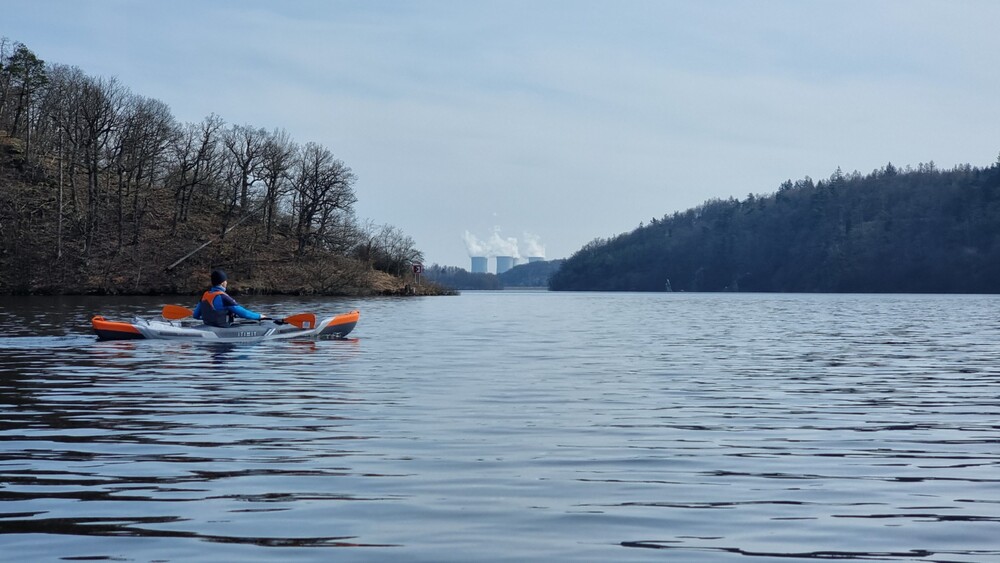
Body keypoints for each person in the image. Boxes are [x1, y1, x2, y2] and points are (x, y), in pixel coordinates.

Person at [193, 269, 269, 327]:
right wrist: (259, 316)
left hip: (208, 327)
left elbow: (195, 315)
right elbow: (244, 313)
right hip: (222, 330)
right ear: (222, 283)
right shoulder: (224, 298)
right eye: (226, 281)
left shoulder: (204, 295)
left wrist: (210, 317)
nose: (226, 283)